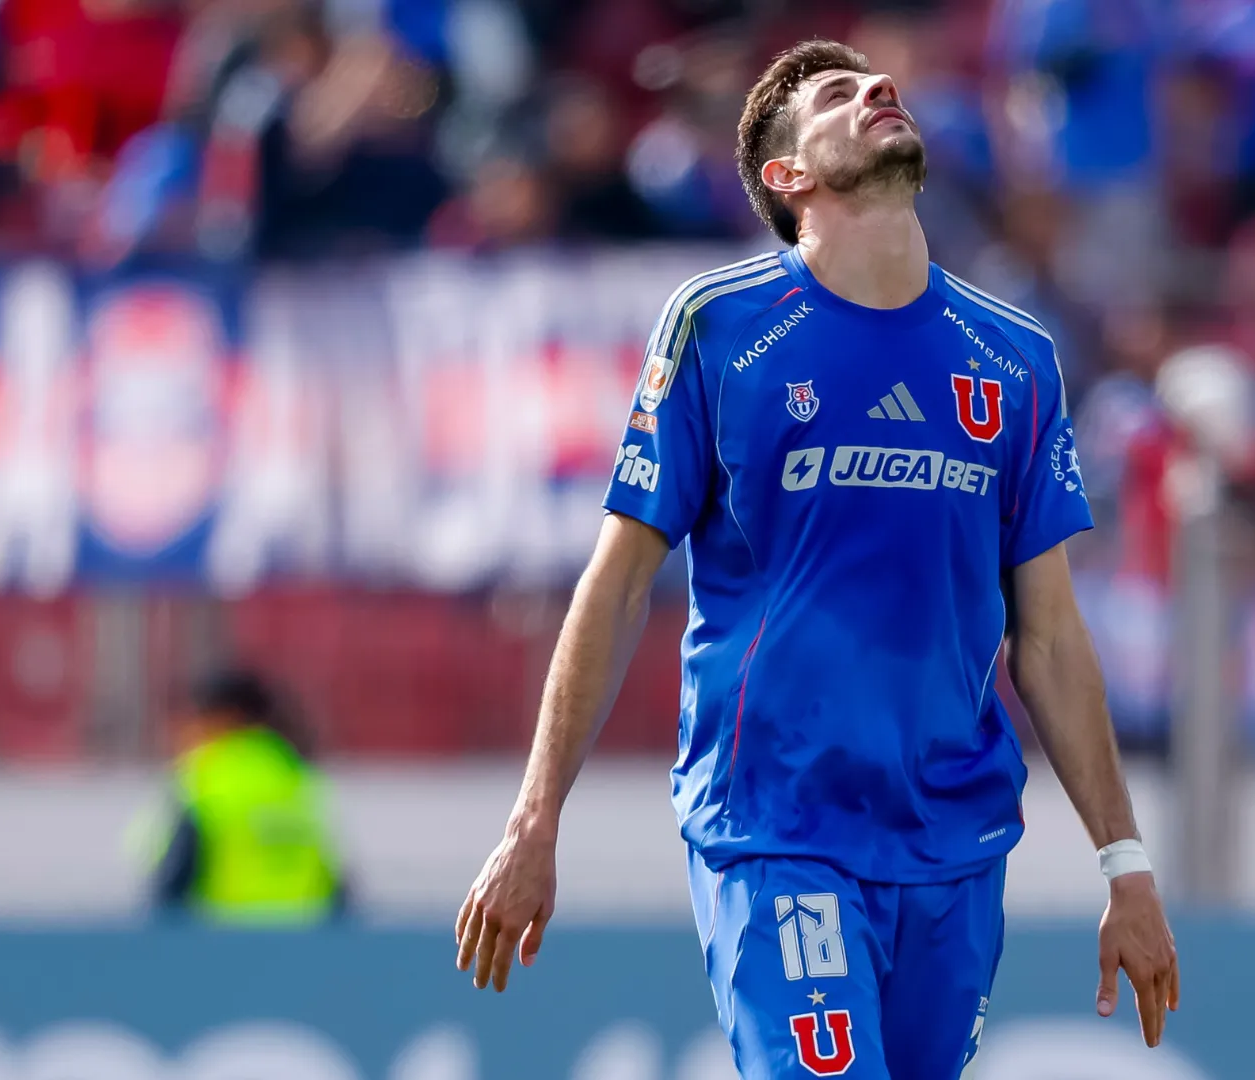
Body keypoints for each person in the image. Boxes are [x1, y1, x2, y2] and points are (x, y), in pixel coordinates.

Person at [453, 37, 1180, 1078]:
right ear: (787, 175)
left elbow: (1052, 638)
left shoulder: (1016, 360)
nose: (878, 87)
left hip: (953, 845)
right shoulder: (721, 329)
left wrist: (1127, 864)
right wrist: (534, 821)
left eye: (878, 82)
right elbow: (614, 587)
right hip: (775, 829)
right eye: (837, 95)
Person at [145, 669, 348, 924]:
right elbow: (335, 885)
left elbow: (170, 887)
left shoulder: (204, 779)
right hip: (302, 940)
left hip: (223, 939)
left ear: (222, 718)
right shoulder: (296, 777)